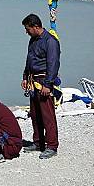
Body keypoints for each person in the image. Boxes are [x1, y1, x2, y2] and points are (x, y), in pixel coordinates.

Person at [21, 13, 61, 159]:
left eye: (27, 29)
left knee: (47, 116)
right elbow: (29, 60)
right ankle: (38, 142)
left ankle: (52, 146)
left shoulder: (50, 41)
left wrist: (48, 84)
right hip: (33, 82)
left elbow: (53, 63)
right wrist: (25, 77)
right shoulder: (33, 40)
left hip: (44, 82)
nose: (26, 32)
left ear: (36, 26)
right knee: (35, 114)